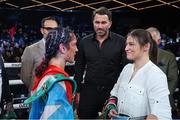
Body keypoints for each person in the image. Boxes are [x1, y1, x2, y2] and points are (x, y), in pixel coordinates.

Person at [104, 29, 171, 120]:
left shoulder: (156, 76)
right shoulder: (126, 69)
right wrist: (112, 107)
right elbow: (114, 93)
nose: (126, 48)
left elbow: (163, 115)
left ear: (146, 46)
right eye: (126, 44)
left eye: (131, 44)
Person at [74, 7, 128, 119]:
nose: (100, 26)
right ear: (93, 22)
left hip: (111, 92)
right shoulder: (84, 42)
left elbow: (126, 69)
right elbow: (79, 68)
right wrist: (77, 92)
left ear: (110, 23)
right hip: (88, 92)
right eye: (97, 22)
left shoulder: (121, 42)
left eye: (103, 22)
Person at [24, 27, 78, 119]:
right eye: (74, 45)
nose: (76, 49)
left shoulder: (44, 74)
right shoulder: (59, 81)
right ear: (63, 48)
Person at [21, 16, 60, 93]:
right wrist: (36, 88)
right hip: (36, 95)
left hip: (56, 94)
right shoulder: (31, 50)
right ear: (42, 30)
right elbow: (25, 77)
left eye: (55, 29)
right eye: (49, 29)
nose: (52, 32)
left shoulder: (61, 49)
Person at [147, 27, 178, 112]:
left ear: (158, 41)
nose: (148, 42)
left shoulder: (168, 57)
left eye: (151, 40)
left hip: (164, 103)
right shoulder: (138, 56)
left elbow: (173, 79)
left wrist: (163, 97)